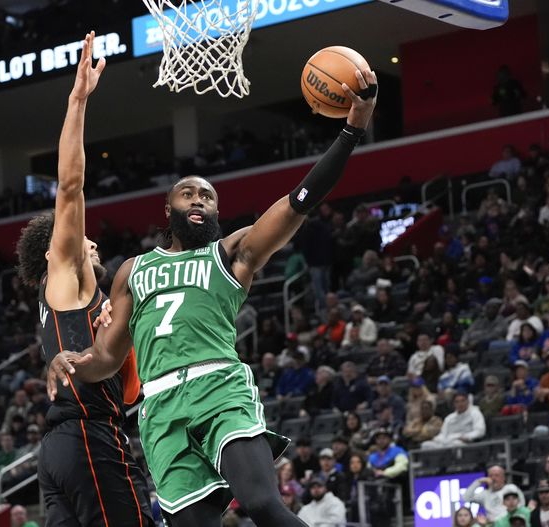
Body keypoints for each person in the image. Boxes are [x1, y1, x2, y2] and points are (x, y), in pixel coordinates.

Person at [48, 67, 379, 525]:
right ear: (168, 208)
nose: (198, 200)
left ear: (218, 210)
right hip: (159, 409)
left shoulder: (232, 253)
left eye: (207, 196)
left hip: (217, 387)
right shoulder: (132, 270)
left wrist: (351, 131)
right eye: (187, 194)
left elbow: (299, 201)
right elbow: (107, 356)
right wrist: (71, 362)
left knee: (261, 503)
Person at [15, 32, 152, 527]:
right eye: (81, 239)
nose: (91, 243)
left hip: (60, 448)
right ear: (55, 252)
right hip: (88, 438)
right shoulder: (67, 276)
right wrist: (78, 101)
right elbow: (70, 187)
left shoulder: (70, 303)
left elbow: (129, 391)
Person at [421, 392, 486, 449]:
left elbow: (480, 431)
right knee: (426, 445)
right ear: (454, 404)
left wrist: (467, 437)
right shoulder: (449, 418)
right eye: (457, 402)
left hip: (464, 443)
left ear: (467, 401)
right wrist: (436, 439)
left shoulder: (475, 413)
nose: (460, 404)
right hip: (447, 441)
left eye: (462, 401)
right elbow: (443, 434)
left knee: (455, 444)